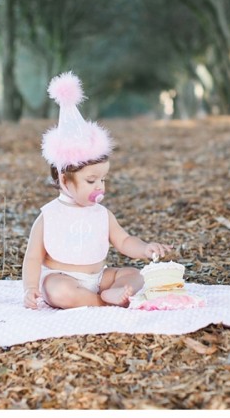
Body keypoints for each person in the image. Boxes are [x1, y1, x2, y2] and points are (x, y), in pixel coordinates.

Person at [22, 72, 171, 309]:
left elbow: (123, 240)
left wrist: (144, 248)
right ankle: (103, 301)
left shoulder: (102, 214)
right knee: (57, 291)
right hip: (64, 278)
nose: (100, 186)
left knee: (135, 274)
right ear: (65, 180)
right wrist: (30, 288)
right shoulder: (48, 216)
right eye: (91, 180)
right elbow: (32, 258)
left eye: (103, 179)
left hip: (99, 278)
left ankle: (109, 293)